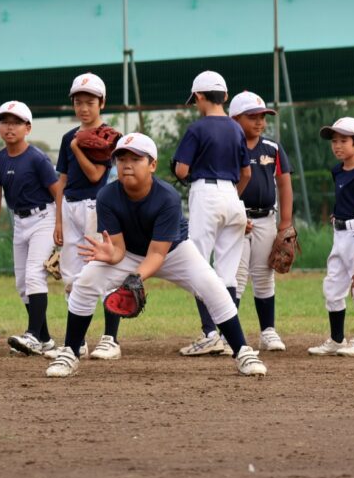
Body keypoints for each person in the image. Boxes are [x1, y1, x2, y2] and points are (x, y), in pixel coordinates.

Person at [45, 133, 267, 378]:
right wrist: (111, 254)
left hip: (174, 251)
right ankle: (70, 352)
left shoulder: (166, 197)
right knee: (85, 281)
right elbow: (119, 249)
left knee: (212, 286)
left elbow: (157, 253)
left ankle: (243, 351)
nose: (127, 164)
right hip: (130, 252)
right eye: (121, 159)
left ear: (152, 165)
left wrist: (135, 277)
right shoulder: (106, 196)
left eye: (135, 158)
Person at [171, 71, 251, 357]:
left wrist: (186, 176)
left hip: (205, 193)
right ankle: (231, 339)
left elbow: (181, 170)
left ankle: (209, 333)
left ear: (201, 97)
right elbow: (246, 172)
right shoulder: (236, 129)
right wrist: (232, 197)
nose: (195, 104)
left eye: (195, 99)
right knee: (227, 274)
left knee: (197, 264)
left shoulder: (198, 128)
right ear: (226, 96)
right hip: (233, 196)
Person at [0, 101, 61, 356]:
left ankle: (33, 335)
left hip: (43, 218)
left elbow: (58, 192)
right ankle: (45, 338)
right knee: (22, 283)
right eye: (4, 121)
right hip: (20, 221)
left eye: (16, 122)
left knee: (34, 275)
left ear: (28, 128)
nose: (9, 127)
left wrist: (60, 224)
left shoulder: (37, 158)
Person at [51, 72, 121, 360]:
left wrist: (79, 148)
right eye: (78, 101)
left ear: (101, 103)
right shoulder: (69, 137)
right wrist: (57, 220)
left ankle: (110, 339)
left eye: (89, 101)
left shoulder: (107, 136)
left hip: (95, 206)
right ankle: (76, 342)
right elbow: (62, 181)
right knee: (71, 273)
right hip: (70, 207)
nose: (83, 107)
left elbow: (95, 175)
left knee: (100, 271)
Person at [308, 117, 354, 357]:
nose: (337, 145)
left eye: (343, 140)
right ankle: (337, 340)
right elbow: (345, 199)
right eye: (334, 141)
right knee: (333, 284)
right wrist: (337, 216)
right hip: (340, 233)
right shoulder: (337, 170)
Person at [229, 91, 294, 351]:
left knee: (264, 275)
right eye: (252, 116)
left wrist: (285, 223)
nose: (259, 122)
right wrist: (234, 215)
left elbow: (285, 183)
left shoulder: (273, 148)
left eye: (263, 117)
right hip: (237, 219)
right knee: (236, 277)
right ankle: (227, 334)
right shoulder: (230, 148)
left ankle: (268, 331)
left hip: (267, 218)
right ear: (235, 119)